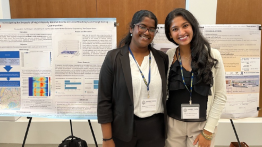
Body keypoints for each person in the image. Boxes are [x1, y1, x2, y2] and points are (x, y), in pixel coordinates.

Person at [97, 10, 168, 147]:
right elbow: (104, 101)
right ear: (131, 28)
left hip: (155, 131)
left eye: (152, 29)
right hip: (123, 131)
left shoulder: (161, 59)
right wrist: (107, 138)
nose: (147, 32)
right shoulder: (114, 58)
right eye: (142, 27)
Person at [164, 8, 227, 147]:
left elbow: (220, 96)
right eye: (175, 29)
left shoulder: (213, 55)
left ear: (193, 26)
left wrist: (208, 131)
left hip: (202, 126)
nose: (181, 32)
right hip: (173, 126)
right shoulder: (168, 56)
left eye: (185, 26)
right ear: (170, 34)